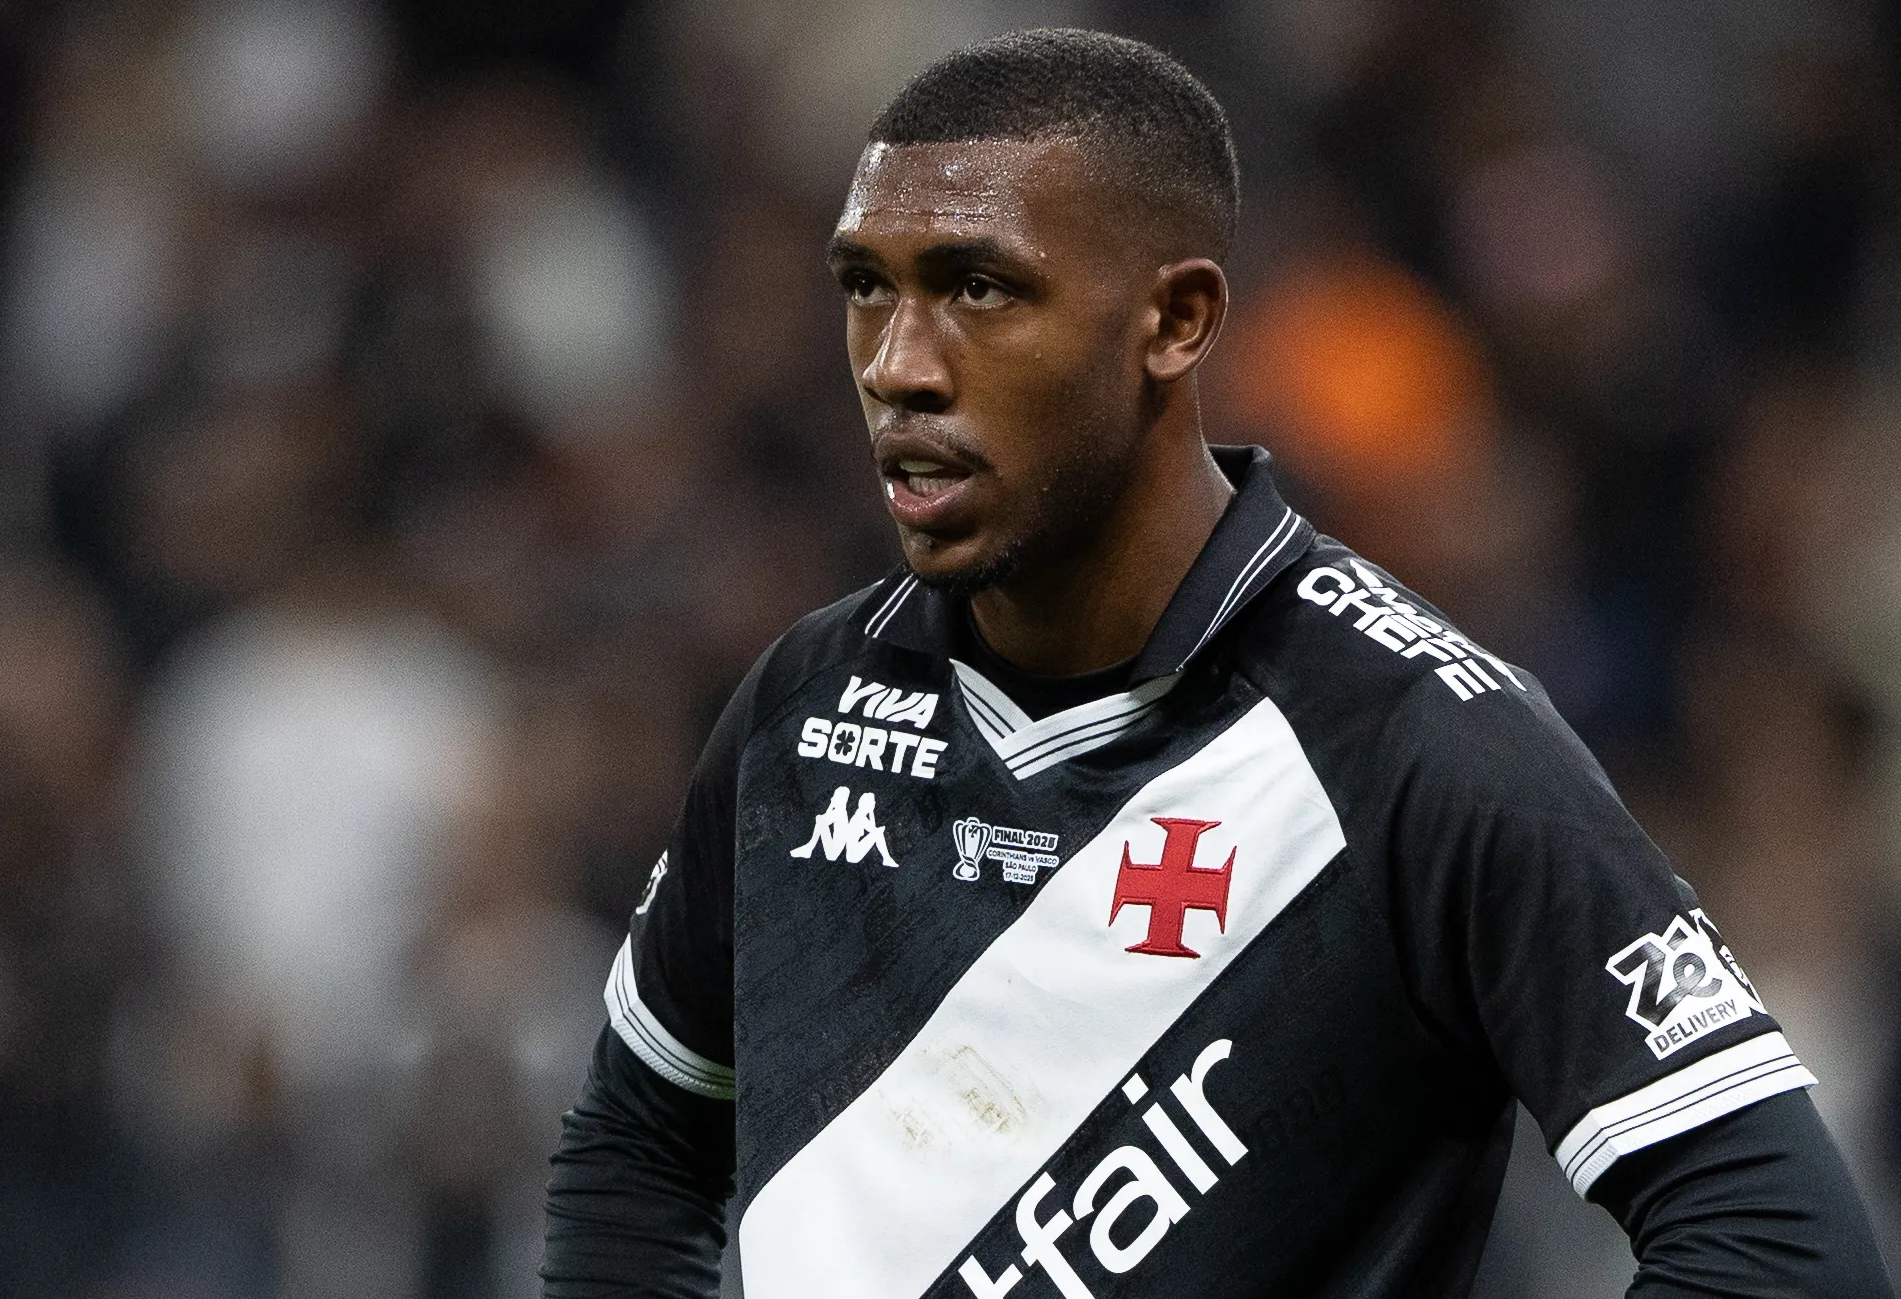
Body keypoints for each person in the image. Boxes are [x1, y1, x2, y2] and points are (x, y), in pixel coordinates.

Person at [542, 28, 1894, 1299]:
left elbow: (1780, 1246)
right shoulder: (806, 707)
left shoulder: (1418, 745)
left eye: (978, 288)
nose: (900, 365)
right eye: (865, 291)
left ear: (1176, 322)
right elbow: (637, 1145)